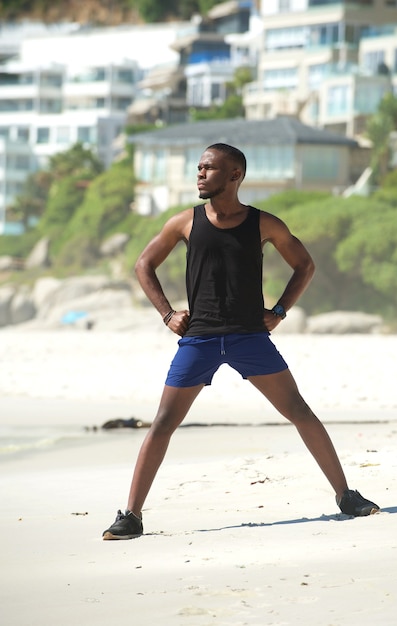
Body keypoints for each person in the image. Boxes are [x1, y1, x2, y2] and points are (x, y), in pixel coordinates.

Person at [102, 143, 379, 540]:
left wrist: (280, 310)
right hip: (198, 339)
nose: (200, 174)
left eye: (209, 168)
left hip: (251, 336)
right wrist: (167, 313)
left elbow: (305, 264)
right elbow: (144, 264)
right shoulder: (184, 222)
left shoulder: (264, 224)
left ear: (234, 175)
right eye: (198, 167)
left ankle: (346, 496)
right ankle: (131, 515)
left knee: (299, 411)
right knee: (163, 423)